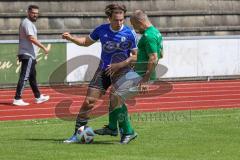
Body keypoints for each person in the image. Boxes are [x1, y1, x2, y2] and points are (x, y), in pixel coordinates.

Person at [62, 3, 138, 144]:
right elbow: (86, 41)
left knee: (116, 101)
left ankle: (126, 132)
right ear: (109, 18)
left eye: (122, 20)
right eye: (116, 20)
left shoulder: (129, 33)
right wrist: (71, 38)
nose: (119, 22)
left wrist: (119, 65)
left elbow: (135, 56)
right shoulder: (101, 30)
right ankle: (80, 135)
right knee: (88, 102)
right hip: (103, 70)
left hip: (123, 71)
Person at [94, 9, 163, 143]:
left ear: (140, 22)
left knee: (117, 97)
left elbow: (153, 58)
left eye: (134, 24)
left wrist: (145, 80)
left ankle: (128, 132)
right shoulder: (156, 33)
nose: (134, 28)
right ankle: (113, 127)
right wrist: (127, 62)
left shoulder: (149, 36)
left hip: (141, 75)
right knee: (114, 94)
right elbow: (161, 54)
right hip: (137, 72)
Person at [13, 5, 50, 106]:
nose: (35, 15)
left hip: (31, 55)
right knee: (24, 76)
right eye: (33, 13)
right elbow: (31, 38)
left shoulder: (29, 23)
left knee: (32, 77)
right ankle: (17, 98)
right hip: (27, 54)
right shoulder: (27, 23)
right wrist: (44, 47)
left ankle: (38, 97)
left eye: (37, 13)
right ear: (28, 12)